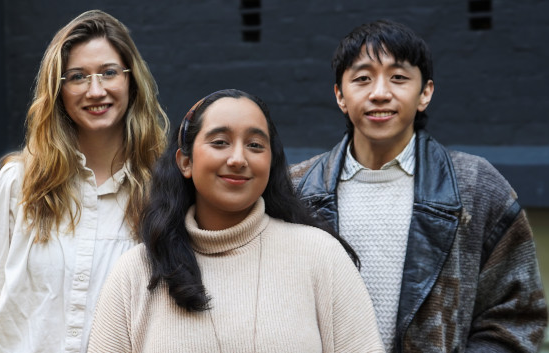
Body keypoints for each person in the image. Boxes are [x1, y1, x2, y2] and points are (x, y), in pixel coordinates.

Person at [290, 19, 548, 352]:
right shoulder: (297, 188)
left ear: (424, 92)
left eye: (398, 78)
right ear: (340, 95)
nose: (380, 93)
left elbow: (518, 315)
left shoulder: (476, 186)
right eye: (362, 79)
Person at [87, 89, 384, 353]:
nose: (238, 158)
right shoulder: (137, 272)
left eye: (255, 145)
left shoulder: (320, 256)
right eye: (220, 142)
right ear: (185, 162)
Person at [0, 10, 169, 353]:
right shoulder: (18, 184)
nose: (96, 91)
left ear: (130, 80)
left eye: (109, 72)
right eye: (77, 77)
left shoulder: (160, 190)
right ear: (59, 90)